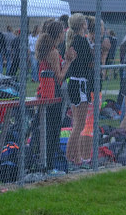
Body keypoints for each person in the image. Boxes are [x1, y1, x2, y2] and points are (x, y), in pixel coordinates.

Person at [36, 19, 74, 172]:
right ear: (59, 34)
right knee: (53, 130)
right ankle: (49, 165)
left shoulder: (49, 49)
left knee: (48, 130)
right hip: (52, 94)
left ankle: (46, 162)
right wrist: (69, 62)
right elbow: (58, 77)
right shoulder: (53, 51)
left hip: (46, 92)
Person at [64, 13, 93, 168]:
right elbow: (89, 63)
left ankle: (77, 157)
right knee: (79, 125)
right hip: (80, 83)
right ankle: (69, 157)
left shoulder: (74, 40)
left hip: (75, 83)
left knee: (77, 123)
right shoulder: (81, 41)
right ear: (82, 25)